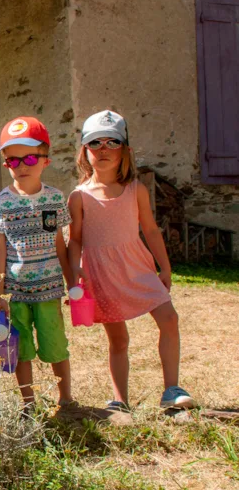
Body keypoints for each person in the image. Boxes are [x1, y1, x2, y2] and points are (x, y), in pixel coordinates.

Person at [67, 110, 195, 412]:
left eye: (112, 142)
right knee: (119, 339)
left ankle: (171, 390)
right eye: (95, 143)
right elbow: (75, 239)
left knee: (170, 319)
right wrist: (74, 272)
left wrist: (164, 266)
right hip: (102, 274)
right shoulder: (79, 196)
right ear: (84, 150)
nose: (103, 150)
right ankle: (119, 401)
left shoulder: (135, 190)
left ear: (125, 150)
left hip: (138, 268)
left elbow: (150, 229)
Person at [0, 117, 74, 408]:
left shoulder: (55, 198)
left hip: (49, 289)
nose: (22, 166)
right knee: (21, 350)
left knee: (56, 345)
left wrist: (72, 282)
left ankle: (66, 399)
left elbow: (61, 244)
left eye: (31, 157)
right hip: (16, 293)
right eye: (13, 160)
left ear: (46, 161)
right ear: (6, 164)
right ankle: (28, 404)